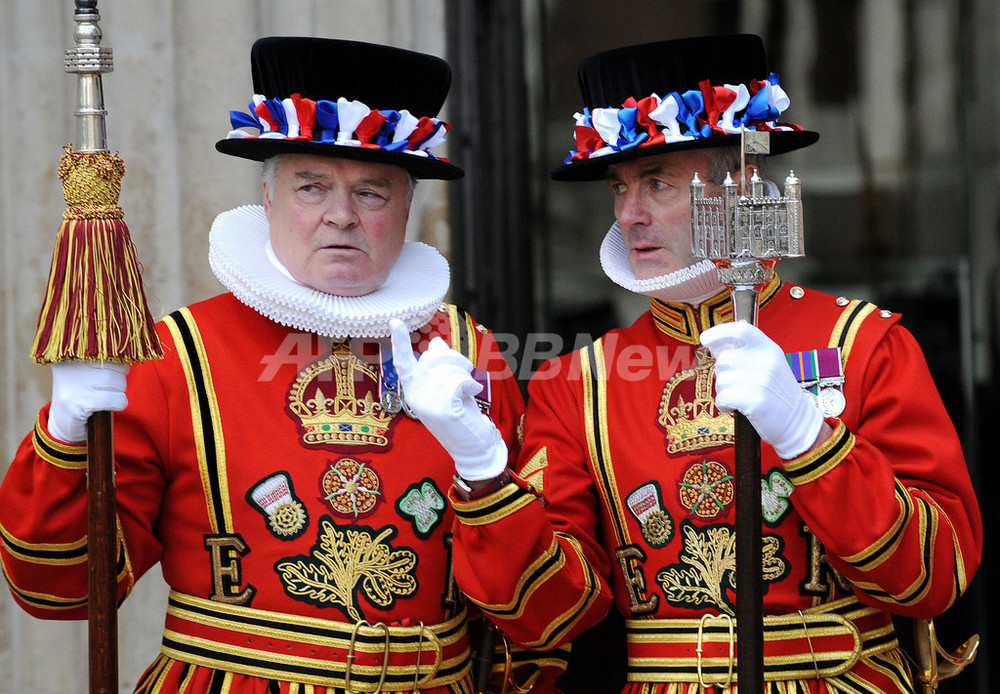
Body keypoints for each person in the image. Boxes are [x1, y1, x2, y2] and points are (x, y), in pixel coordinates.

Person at [390, 34, 983, 692]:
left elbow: (935, 576)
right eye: (620, 186)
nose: (628, 214)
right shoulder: (578, 383)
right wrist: (484, 479)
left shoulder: (863, 342)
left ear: (745, 183)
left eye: (658, 182)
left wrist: (809, 440)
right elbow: (546, 618)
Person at [0, 36, 567, 693]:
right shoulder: (176, 357)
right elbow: (60, 590)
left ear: (408, 209)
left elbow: (545, 616)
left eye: (373, 193)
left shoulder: (473, 356)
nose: (341, 216)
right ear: (267, 199)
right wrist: (64, 436)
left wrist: (483, 474)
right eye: (311, 186)